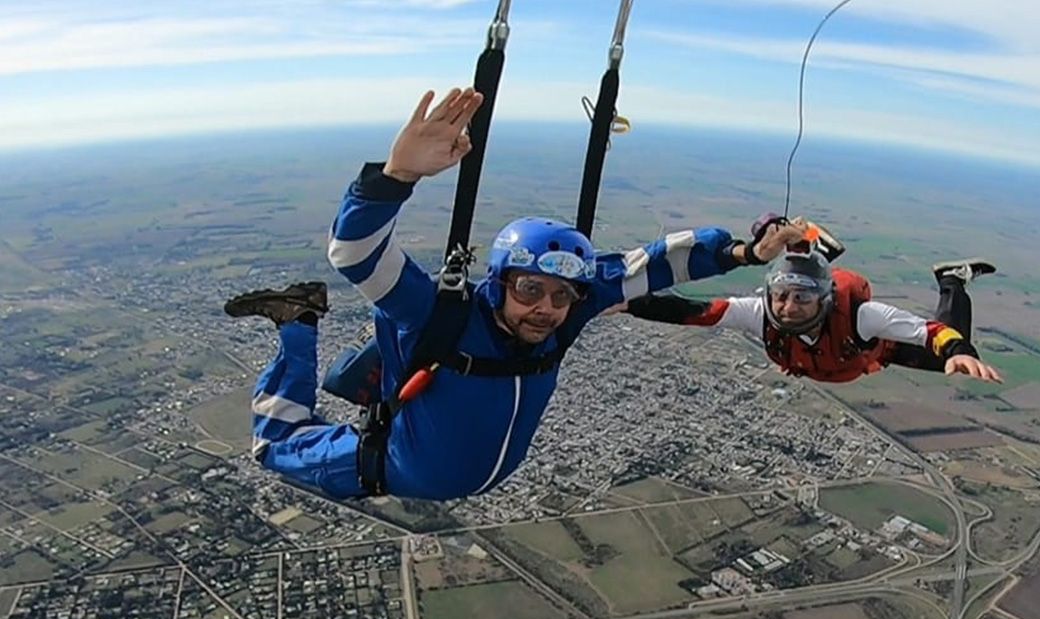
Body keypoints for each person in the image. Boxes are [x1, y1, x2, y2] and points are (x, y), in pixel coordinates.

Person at [224, 87, 813, 501]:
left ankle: (301, 322)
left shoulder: (565, 316)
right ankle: (297, 321)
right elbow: (354, 254)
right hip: (391, 467)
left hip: (444, 473)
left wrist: (744, 253)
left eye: (562, 296)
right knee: (273, 444)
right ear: (499, 281)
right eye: (530, 289)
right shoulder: (440, 312)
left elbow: (654, 265)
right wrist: (395, 176)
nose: (547, 309)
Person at [621, 216, 1003, 384]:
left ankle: (952, 280)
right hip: (849, 359)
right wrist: (627, 301)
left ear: (824, 300)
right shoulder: (761, 313)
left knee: (948, 363)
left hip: (875, 350)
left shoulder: (863, 316)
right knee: (798, 273)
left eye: (801, 298)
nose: (787, 307)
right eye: (781, 296)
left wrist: (958, 349)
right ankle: (814, 248)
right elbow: (695, 312)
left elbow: (929, 331)